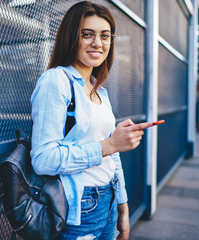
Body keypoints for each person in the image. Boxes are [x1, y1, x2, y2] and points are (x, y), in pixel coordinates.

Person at [30, 2, 155, 239]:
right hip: (80, 207)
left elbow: (112, 156)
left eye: (105, 36)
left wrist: (123, 207)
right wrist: (110, 145)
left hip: (107, 202)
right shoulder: (55, 81)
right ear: (71, 36)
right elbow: (43, 159)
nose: (97, 43)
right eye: (87, 34)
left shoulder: (100, 91)